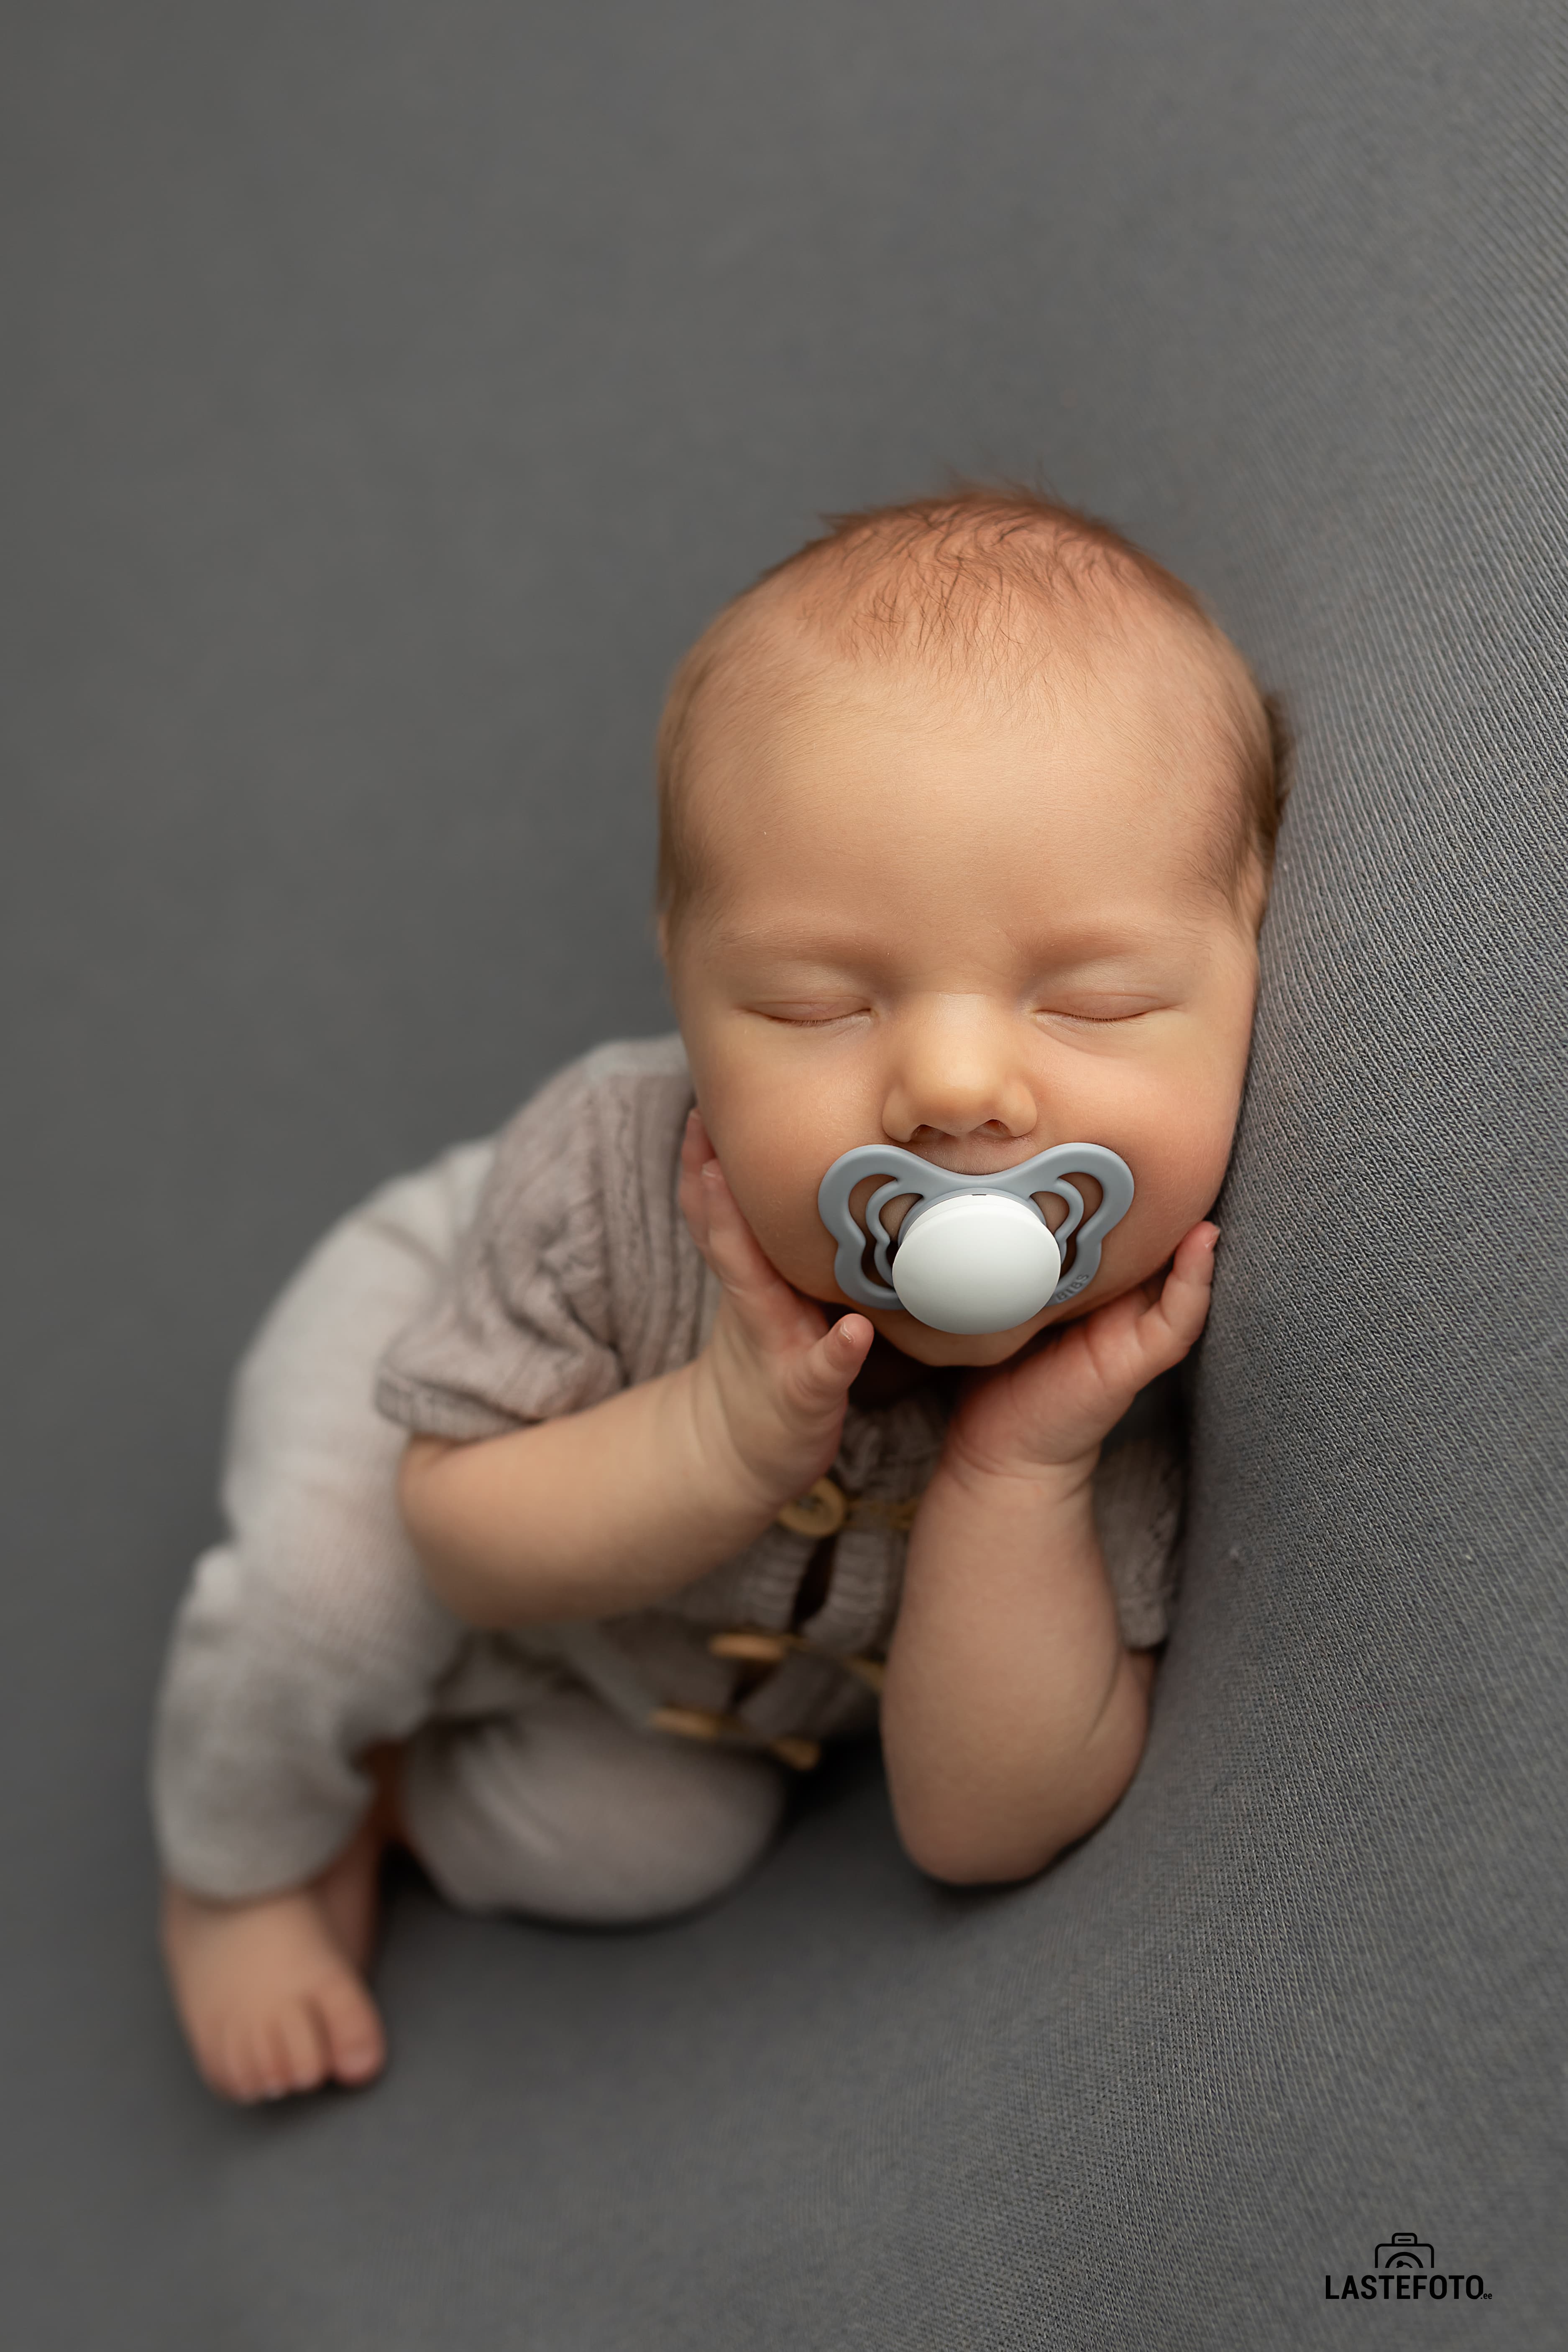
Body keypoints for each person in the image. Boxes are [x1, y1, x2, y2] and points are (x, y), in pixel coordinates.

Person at [153, 486, 1286, 2104]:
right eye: (819, 1005)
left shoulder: (1135, 1365)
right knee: (332, 1599)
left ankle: (389, 1797)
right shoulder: (606, 1173)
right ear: (687, 991)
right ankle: (241, 1863)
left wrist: (1014, 1467)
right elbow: (457, 1540)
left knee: (658, 1846)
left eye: (1094, 1003)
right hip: (466, 1414)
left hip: (673, 1675)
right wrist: (731, 1433)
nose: (956, 1088)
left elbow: (972, 1830)